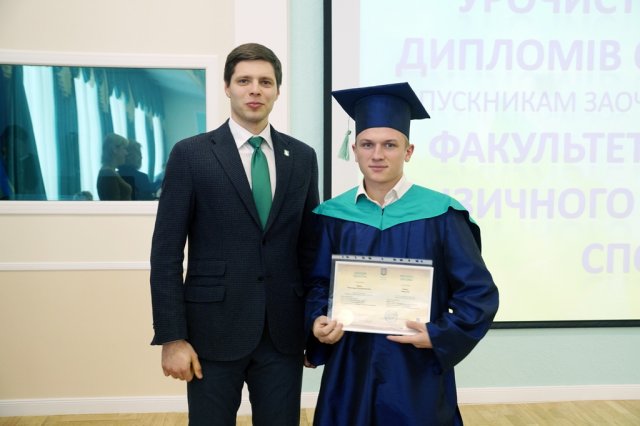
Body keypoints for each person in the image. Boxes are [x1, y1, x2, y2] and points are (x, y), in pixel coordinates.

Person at [305, 82, 499, 426]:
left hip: (415, 369)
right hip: (349, 367)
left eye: (390, 145)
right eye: (368, 144)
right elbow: (316, 283)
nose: (377, 155)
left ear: (408, 151)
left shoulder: (442, 214)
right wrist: (317, 321)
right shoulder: (331, 216)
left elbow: (478, 293)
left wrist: (439, 335)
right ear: (355, 150)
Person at [149, 43, 319, 426]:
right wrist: (172, 337)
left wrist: (313, 325)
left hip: (283, 334)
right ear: (227, 87)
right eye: (244, 81)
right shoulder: (191, 155)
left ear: (278, 90)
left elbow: (309, 249)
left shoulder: (302, 157)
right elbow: (165, 254)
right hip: (211, 332)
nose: (255, 89)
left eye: (265, 82)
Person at [96, 133, 132, 200]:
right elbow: (114, 204)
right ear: (114, 149)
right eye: (124, 148)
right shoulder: (108, 174)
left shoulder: (109, 172)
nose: (126, 153)